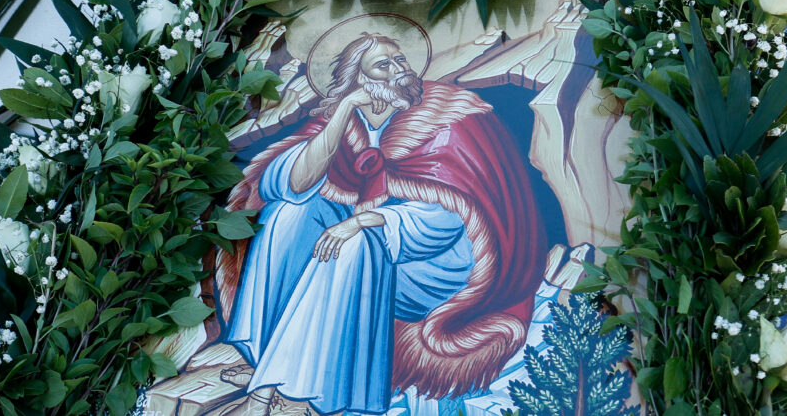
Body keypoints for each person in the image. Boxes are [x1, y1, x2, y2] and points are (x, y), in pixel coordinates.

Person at [213, 32, 546, 416]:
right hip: (379, 239)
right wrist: (343, 110)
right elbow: (293, 184)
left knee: (352, 244)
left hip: (437, 263)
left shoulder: (447, 117)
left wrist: (366, 222)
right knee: (288, 216)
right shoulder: (346, 121)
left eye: (399, 60)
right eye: (383, 65)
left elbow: (448, 219)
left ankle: (299, 393)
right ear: (358, 79)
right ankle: (267, 359)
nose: (398, 70)